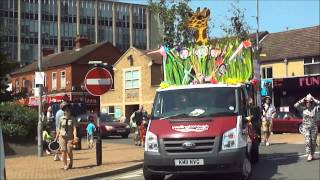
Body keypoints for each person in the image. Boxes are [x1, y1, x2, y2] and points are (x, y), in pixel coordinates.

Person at [294, 94, 320, 161]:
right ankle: (309, 155)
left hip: (314, 127)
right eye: (306, 102)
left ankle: (312, 154)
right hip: (306, 127)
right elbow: (295, 105)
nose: (308, 103)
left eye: (309, 102)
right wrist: (303, 99)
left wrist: (313, 99)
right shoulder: (303, 108)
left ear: (311, 102)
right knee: (308, 141)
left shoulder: (315, 108)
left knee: (313, 142)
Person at [55, 102, 78, 170]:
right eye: (66, 110)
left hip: (70, 137)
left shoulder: (73, 119)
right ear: (64, 111)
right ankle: (65, 165)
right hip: (62, 137)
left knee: (69, 151)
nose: (68, 111)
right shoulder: (61, 119)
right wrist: (56, 138)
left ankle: (71, 162)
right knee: (63, 151)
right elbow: (59, 129)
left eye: (68, 110)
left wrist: (75, 136)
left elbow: (74, 128)